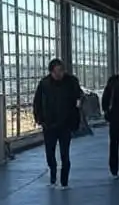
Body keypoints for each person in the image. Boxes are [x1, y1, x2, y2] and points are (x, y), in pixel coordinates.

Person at [32, 58, 83, 190]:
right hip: (49, 125)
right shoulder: (44, 84)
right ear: (51, 72)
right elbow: (37, 102)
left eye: (62, 70)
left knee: (65, 153)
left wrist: (77, 112)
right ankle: (53, 174)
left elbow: (79, 97)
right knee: (50, 152)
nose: (60, 74)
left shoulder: (71, 81)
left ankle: (64, 181)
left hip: (65, 124)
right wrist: (39, 119)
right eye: (57, 71)